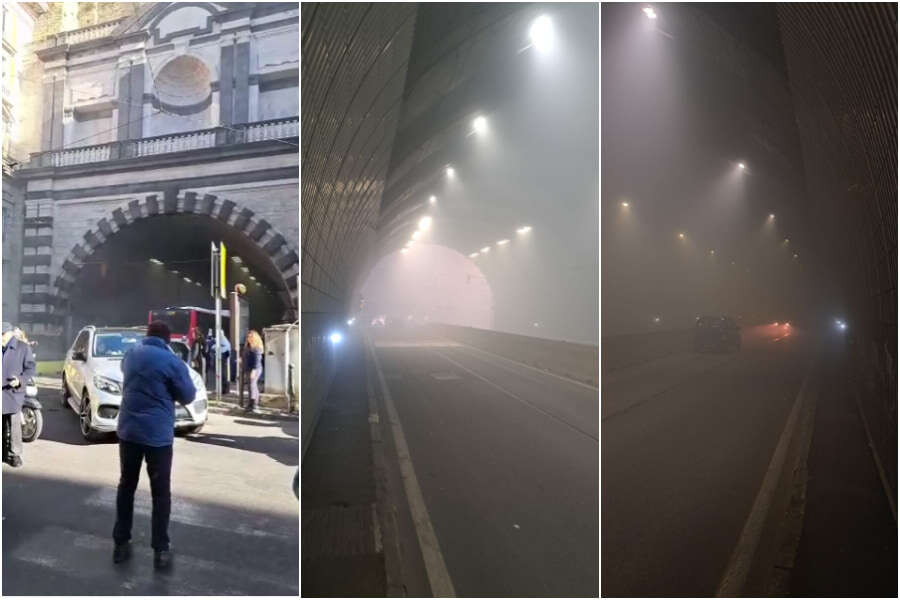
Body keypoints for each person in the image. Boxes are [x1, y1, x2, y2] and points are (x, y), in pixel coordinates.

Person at [112, 321, 195, 570]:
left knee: (126, 486)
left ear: (147, 336)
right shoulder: (172, 362)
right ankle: (160, 549)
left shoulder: (131, 354)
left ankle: (120, 543)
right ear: (168, 340)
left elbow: (126, 370)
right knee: (160, 494)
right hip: (157, 437)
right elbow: (188, 395)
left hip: (128, 432)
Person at [2, 323, 35, 468]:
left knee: (14, 426)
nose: (1, 337)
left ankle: (15, 454)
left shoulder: (22, 347)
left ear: (10, 334)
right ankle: (2, 452)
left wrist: (20, 380)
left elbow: (30, 369)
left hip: (13, 393)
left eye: (3, 334)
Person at [243, 330, 264, 413]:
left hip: (255, 369)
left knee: (252, 386)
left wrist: (254, 371)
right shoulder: (248, 346)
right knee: (251, 386)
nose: (249, 338)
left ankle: (254, 404)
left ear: (255, 338)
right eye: (248, 337)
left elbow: (257, 360)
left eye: (251, 337)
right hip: (249, 369)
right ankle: (251, 404)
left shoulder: (257, 348)